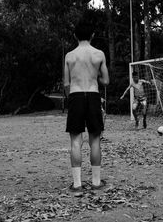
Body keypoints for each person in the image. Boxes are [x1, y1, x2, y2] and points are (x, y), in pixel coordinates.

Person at [64, 15, 109, 194]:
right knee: (95, 140)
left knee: (76, 141)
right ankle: (96, 183)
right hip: (93, 95)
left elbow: (66, 84)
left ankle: (77, 185)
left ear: (75, 35)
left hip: (75, 95)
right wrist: (94, 74)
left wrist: (71, 99)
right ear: (92, 35)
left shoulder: (69, 56)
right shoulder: (99, 54)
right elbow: (106, 80)